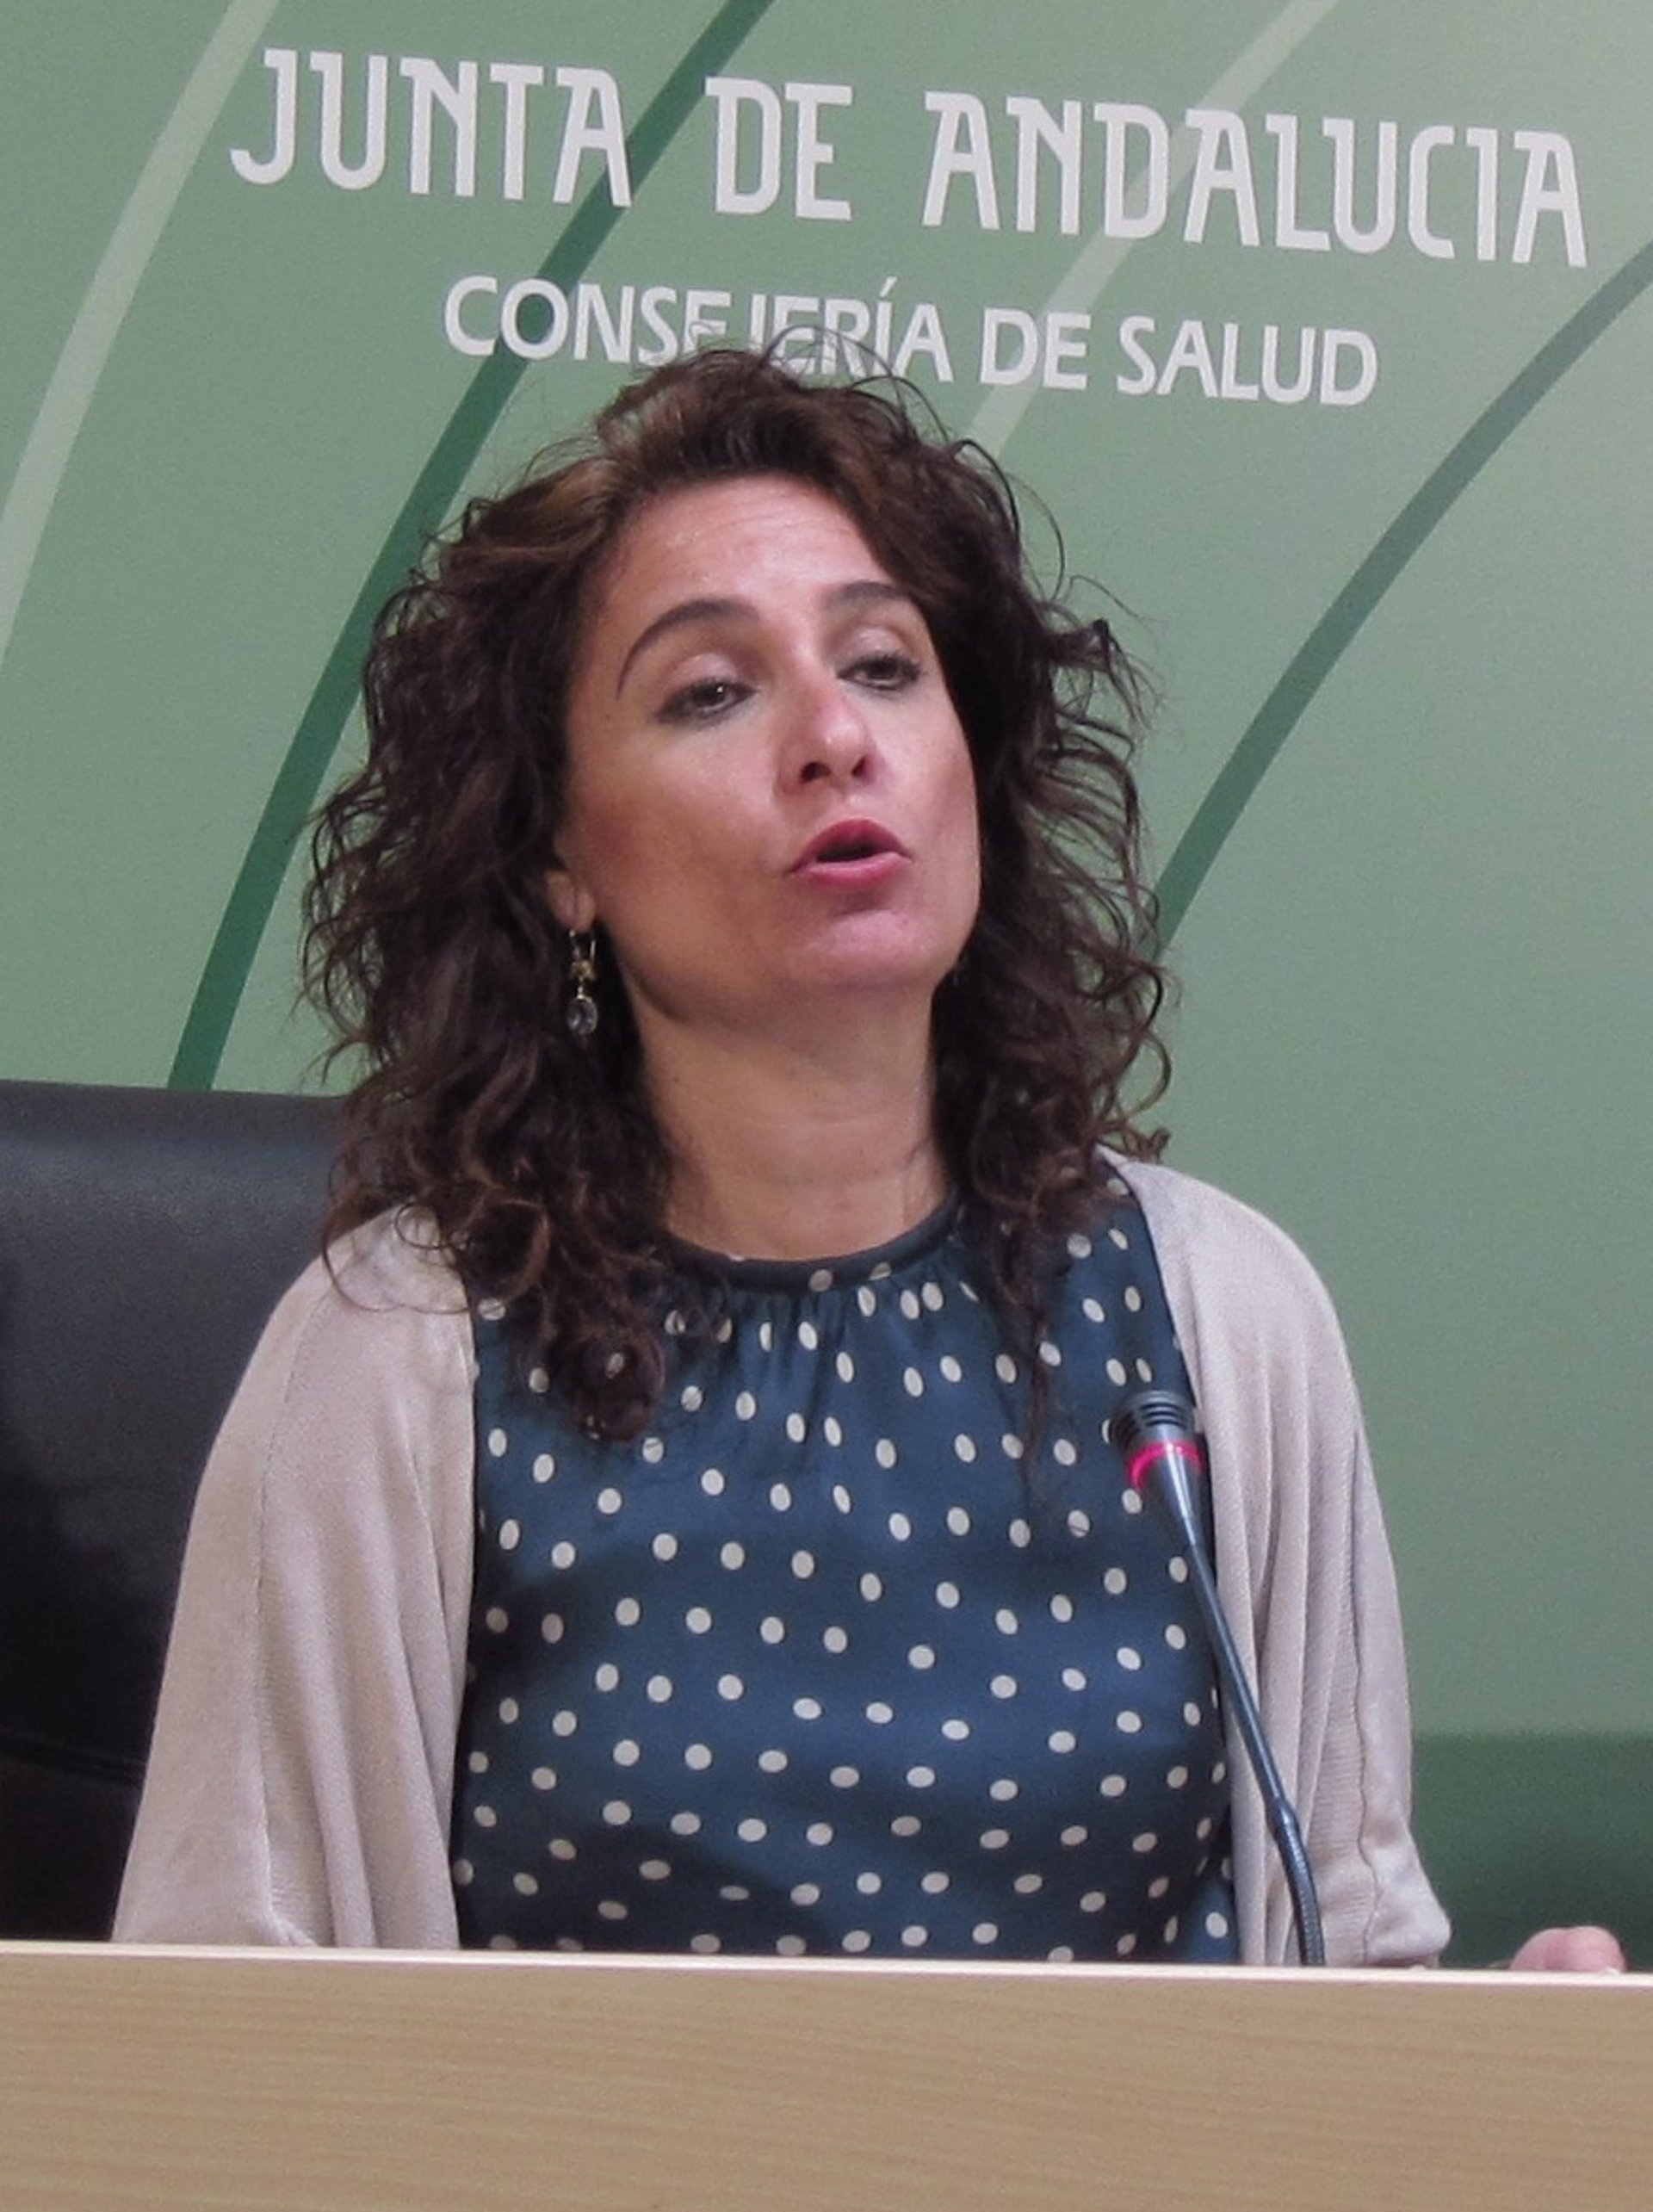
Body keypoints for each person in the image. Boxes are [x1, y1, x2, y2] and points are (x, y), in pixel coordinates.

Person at [113, 348, 1620, 1973]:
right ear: (560, 857)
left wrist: (1506, 2055)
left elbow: (1350, 1977)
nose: (836, 737)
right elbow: (222, 2036)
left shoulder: (1217, 1319)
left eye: (887, 666)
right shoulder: (399, 1360)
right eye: (711, 692)